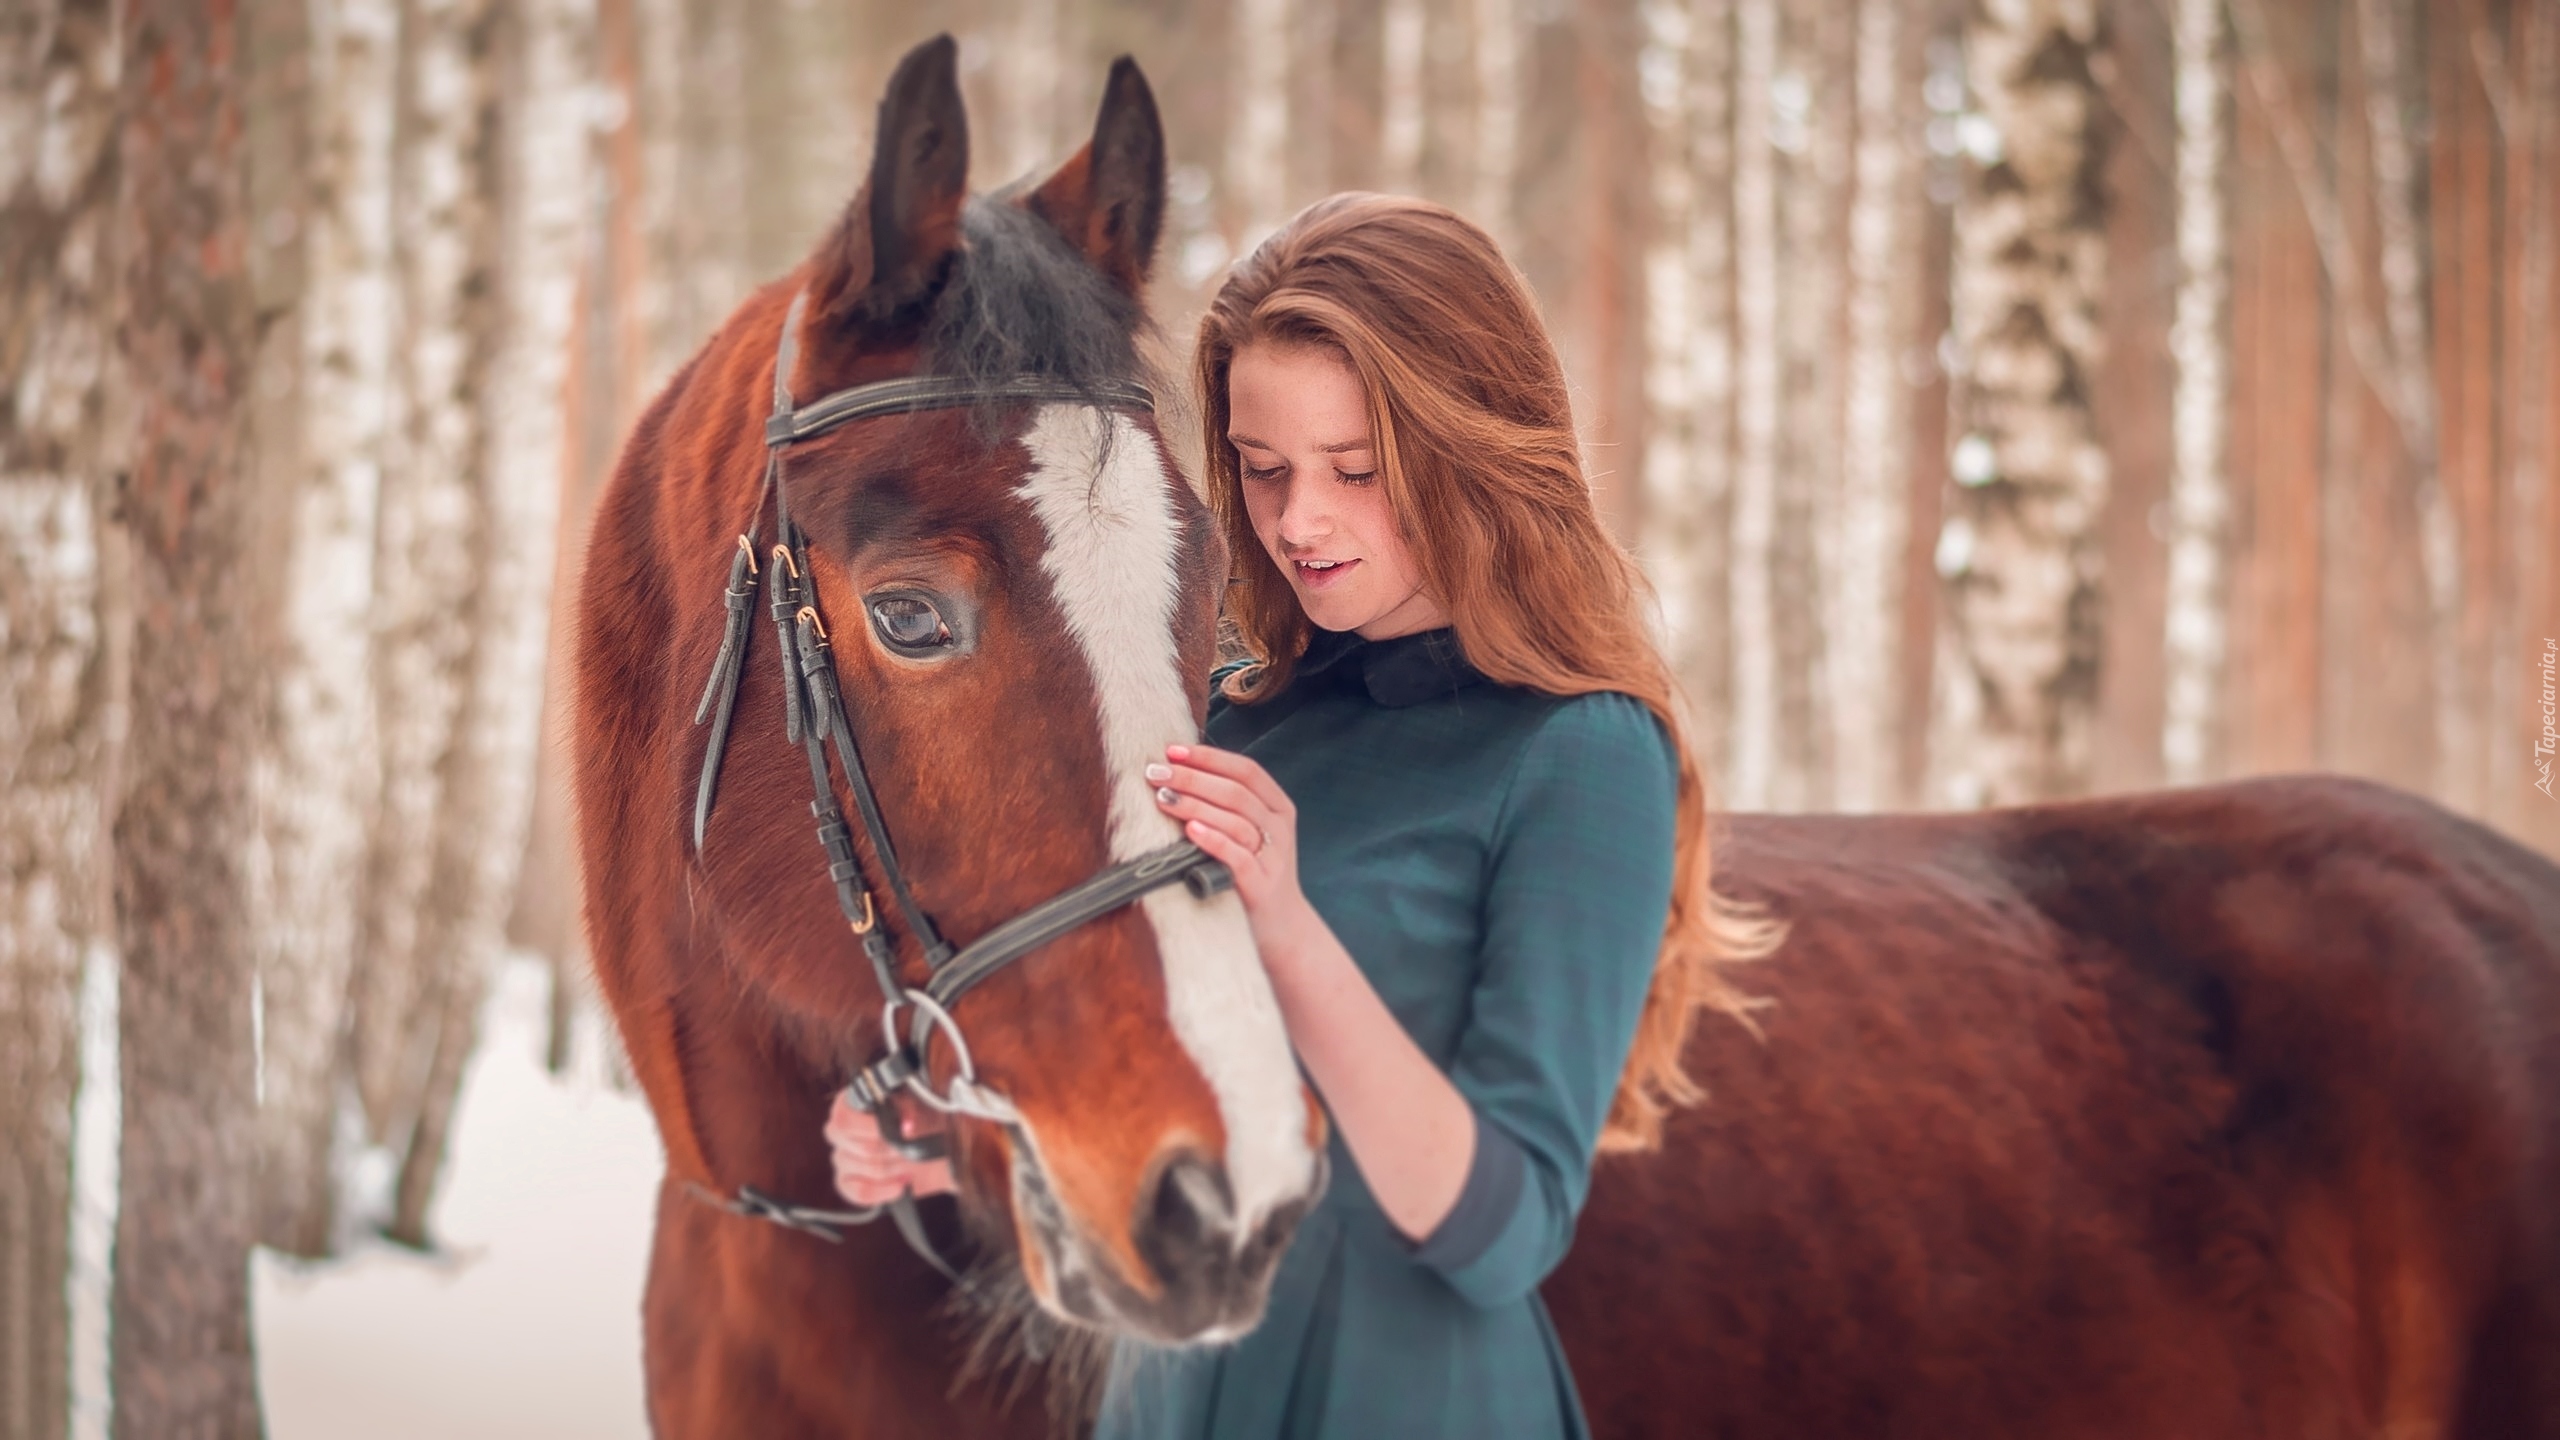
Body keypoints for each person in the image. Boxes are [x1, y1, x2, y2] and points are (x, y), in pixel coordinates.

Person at [825, 191, 1758, 1439]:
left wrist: (1288, 923)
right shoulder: (1225, 716)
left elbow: (1501, 1234)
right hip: (1174, 1386)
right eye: (1261, 471)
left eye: (1355, 471)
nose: (1298, 521)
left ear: (1472, 443)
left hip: (1411, 1399)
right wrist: (952, 1138)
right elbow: (1179, 1081)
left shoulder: (1581, 755)